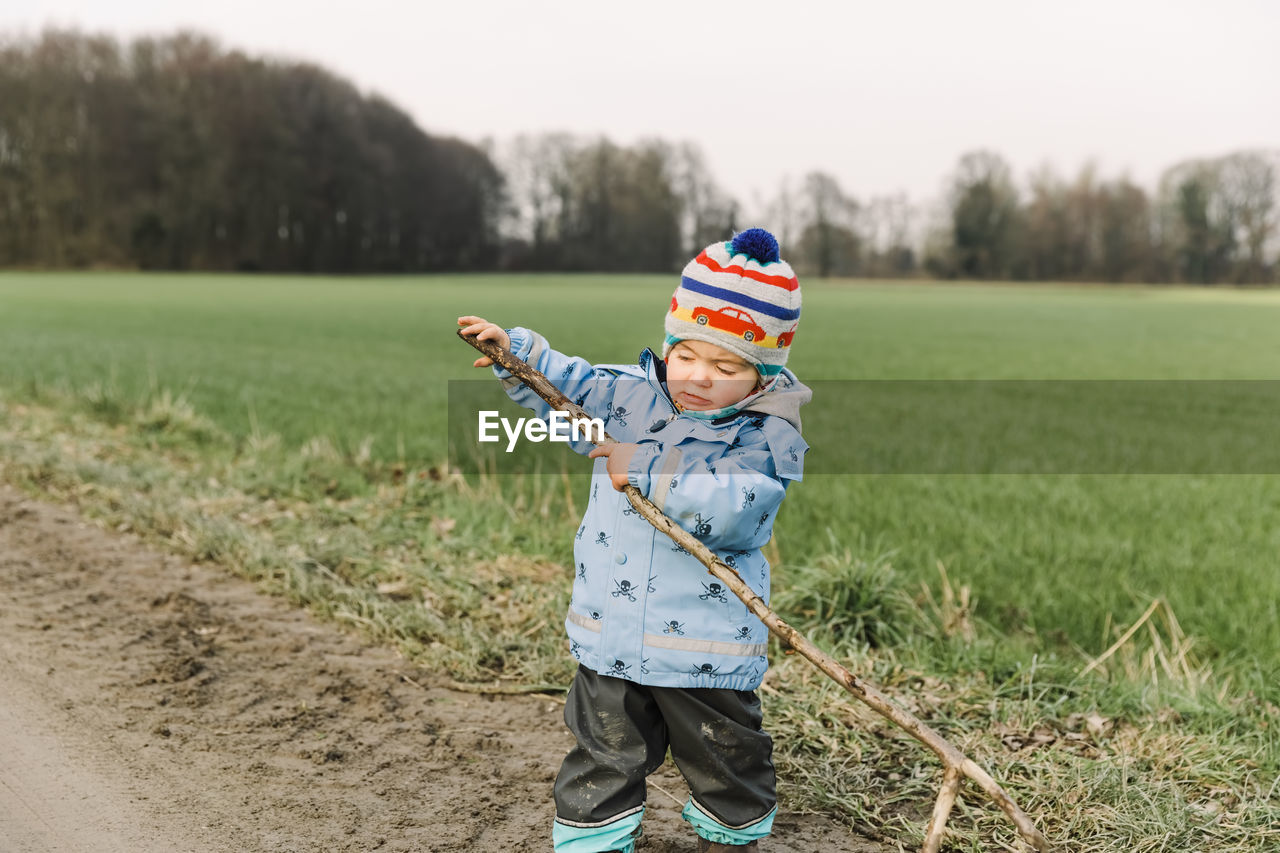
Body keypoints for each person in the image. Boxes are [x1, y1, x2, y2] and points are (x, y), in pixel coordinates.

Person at [458, 228, 809, 853]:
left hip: (705, 650)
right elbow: (574, 388)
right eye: (686, 356)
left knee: (727, 761)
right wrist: (518, 355)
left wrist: (647, 466)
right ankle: (594, 840)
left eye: (726, 366)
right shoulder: (629, 394)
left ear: (763, 375)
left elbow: (738, 512)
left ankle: (731, 835)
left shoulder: (766, 434)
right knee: (601, 757)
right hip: (611, 631)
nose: (699, 377)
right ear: (669, 344)